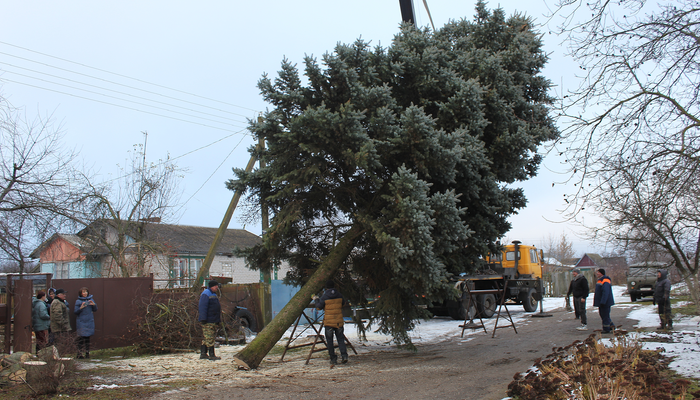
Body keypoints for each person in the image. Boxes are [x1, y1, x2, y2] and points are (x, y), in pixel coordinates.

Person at [314, 280, 348, 365]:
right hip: (338, 322)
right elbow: (343, 304)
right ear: (334, 286)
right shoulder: (339, 295)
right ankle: (344, 356)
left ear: (326, 287)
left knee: (330, 341)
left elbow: (318, 307)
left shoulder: (324, 297)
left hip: (329, 322)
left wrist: (316, 300)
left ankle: (333, 359)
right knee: (340, 339)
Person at [198, 280, 222, 361]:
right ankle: (212, 355)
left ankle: (203, 353)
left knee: (207, 337)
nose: (217, 287)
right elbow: (202, 307)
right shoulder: (206, 294)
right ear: (212, 286)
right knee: (210, 337)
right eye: (216, 286)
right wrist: (203, 318)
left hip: (213, 319)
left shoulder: (213, 294)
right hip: (208, 320)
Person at [74, 287, 98, 359]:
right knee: (81, 338)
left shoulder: (91, 300)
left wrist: (94, 305)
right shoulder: (78, 301)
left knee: (88, 338)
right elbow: (75, 312)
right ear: (81, 293)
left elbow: (95, 310)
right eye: (83, 292)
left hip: (89, 321)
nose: (85, 293)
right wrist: (81, 307)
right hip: (81, 321)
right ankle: (79, 353)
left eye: (86, 292)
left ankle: (87, 353)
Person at [593, 268, 615, 333]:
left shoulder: (605, 280)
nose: (597, 273)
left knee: (605, 315)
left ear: (601, 273)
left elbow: (606, 291)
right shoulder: (600, 280)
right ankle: (611, 326)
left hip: (605, 302)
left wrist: (603, 301)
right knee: (603, 315)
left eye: (598, 272)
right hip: (602, 301)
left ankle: (606, 329)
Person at [50, 288, 72, 353]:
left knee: (61, 344)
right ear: (58, 295)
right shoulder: (57, 302)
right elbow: (58, 316)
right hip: (59, 329)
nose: (65, 295)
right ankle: (59, 358)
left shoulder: (60, 302)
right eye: (63, 294)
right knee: (59, 344)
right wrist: (64, 325)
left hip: (60, 328)